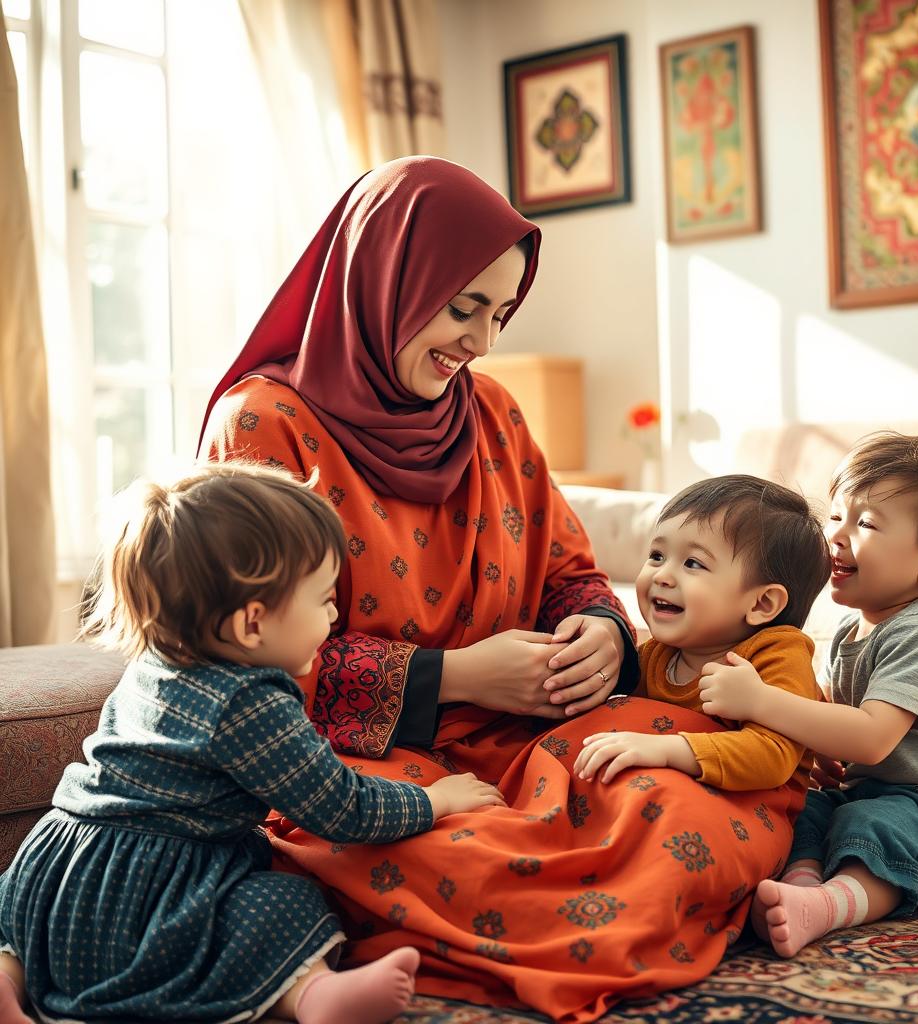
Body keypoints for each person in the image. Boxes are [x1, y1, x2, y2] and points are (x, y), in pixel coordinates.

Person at [199, 157, 806, 1021]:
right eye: (462, 308)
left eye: (499, 312)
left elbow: (571, 572)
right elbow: (240, 654)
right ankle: (613, 926)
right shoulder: (265, 424)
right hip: (358, 759)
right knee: (440, 853)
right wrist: (458, 677)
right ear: (388, 281)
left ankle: (610, 913)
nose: (481, 344)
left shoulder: (493, 412)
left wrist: (599, 629)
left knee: (687, 774)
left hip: (527, 734)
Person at [0, 463, 504, 1024]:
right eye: (323, 600)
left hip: (55, 860)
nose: (335, 615)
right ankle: (311, 995)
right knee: (286, 902)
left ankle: (7, 979)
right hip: (148, 888)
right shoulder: (250, 703)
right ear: (251, 625)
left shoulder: (155, 662)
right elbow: (343, 808)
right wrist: (437, 800)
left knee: (18, 915)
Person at [698, 433, 918, 959]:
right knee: (805, 807)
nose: (837, 536)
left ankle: (829, 906)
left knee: (873, 824)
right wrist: (817, 748)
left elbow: (871, 738)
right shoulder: (853, 630)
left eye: (865, 524)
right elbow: (841, 718)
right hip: (885, 794)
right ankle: (799, 889)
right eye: (837, 516)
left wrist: (759, 701)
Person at [575, 476, 830, 803]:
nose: (662, 576)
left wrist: (667, 749)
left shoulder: (777, 653)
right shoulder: (657, 654)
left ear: (761, 604)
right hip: (664, 791)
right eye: (656, 555)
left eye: (692, 563)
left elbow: (772, 756)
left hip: (751, 806)